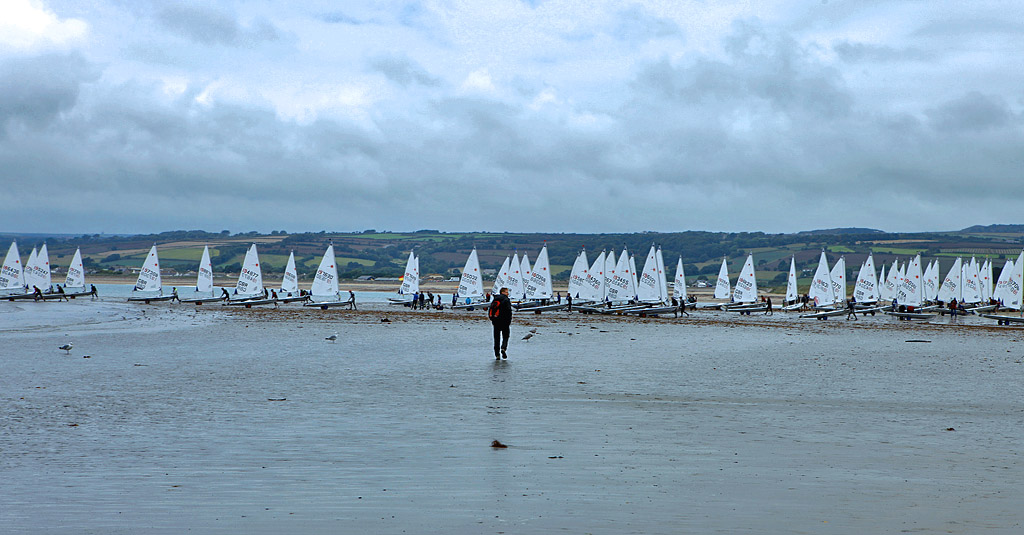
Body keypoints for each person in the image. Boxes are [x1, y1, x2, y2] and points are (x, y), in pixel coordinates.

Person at [488, 287, 513, 360]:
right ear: (503, 292)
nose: (508, 293)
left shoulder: (495, 299)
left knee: (496, 338)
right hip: (505, 322)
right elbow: (509, 311)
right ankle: (503, 348)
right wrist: (509, 321)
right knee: (506, 336)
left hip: (496, 322)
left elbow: (490, 310)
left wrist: (492, 320)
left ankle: (497, 355)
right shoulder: (506, 300)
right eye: (507, 292)